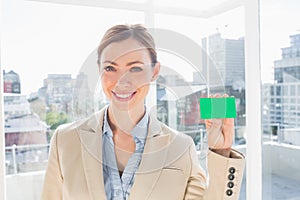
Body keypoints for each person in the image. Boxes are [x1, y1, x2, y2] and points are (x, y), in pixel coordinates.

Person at [41, 24, 245, 200]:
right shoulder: (65, 140)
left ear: (154, 72)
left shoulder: (181, 147)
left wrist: (221, 152)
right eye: (111, 68)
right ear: (99, 70)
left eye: (135, 68)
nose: (121, 81)